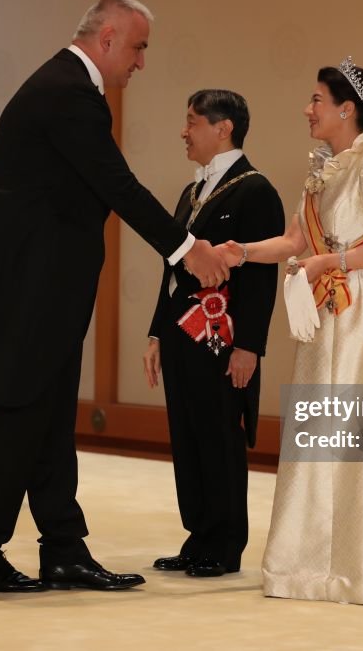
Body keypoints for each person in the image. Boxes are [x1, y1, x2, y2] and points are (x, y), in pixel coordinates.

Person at [0, 0, 229, 594]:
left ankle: (63, 546)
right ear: (109, 38)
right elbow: (117, 184)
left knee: (50, 417)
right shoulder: (67, 92)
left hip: (44, 286)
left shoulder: (64, 88)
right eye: (139, 48)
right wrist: (187, 249)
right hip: (31, 288)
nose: (141, 62)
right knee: (24, 417)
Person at [218, 58, 363, 604]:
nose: (308, 109)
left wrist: (334, 263)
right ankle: (311, 564)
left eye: (317, 100)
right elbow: (297, 241)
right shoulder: (323, 169)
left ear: (346, 109)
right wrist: (244, 252)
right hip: (329, 307)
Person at [142, 90, 284, 578]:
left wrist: (250, 347)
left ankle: (224, 545)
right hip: (183, 335)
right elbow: (172, 270)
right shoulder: (191, 191)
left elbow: (264, 277)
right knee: (187, 435)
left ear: (223, 128)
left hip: (224, 342)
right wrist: (157, 333)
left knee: (219, 437)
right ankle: (198, 535)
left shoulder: (255, 190)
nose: (184, 131)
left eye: (193, 122)